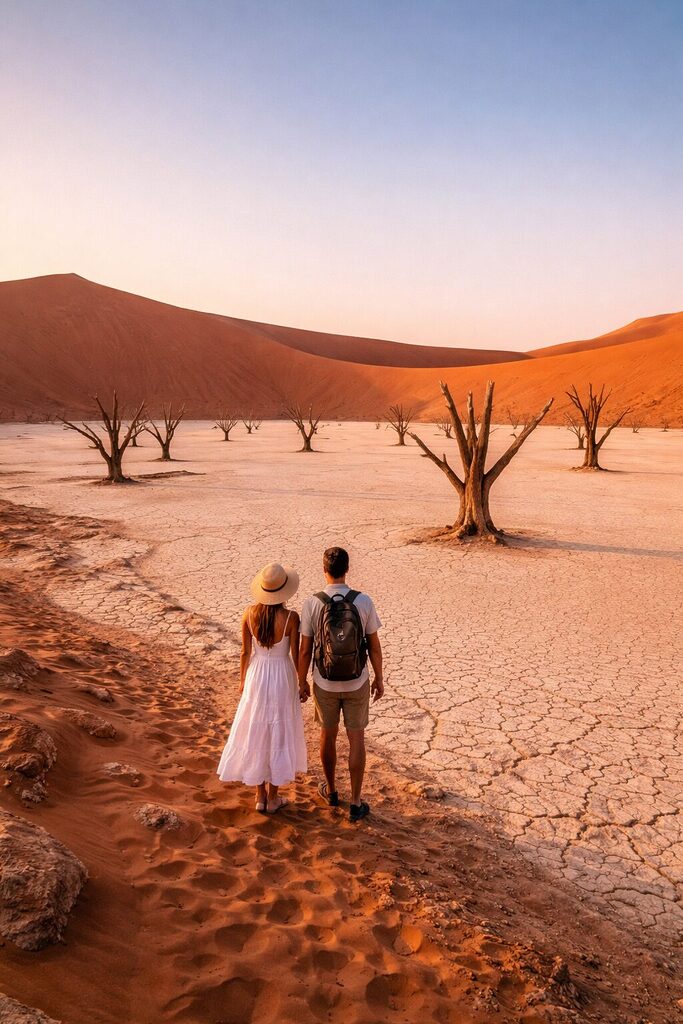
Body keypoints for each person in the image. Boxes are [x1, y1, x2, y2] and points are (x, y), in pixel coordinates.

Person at [298, 546, 384, 822]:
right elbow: (374, 646)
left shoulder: (313, 603)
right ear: (347, 569)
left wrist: (302, 681)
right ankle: (356, 802)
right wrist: (379, 678)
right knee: (356, 738)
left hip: (324, 681)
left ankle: (332, 791)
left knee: (327, 734)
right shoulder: (363, 601)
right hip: (357, 679)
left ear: (324, 570)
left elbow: (305, 650)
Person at [217, 562, 306, 814]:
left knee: (255, 728)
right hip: (281, 674)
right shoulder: (291, 618)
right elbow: (296, 653)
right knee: (278, 728)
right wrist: (302, 682)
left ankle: (259, 795)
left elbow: (245, 651)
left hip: (257, 674)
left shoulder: (249, 613)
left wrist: (242, 680)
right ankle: (274, 797)